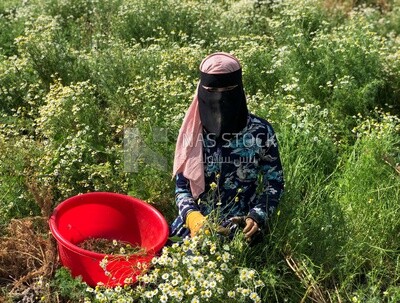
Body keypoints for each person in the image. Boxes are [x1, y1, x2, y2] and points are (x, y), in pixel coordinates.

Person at [171, 52, 284, 243]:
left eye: (229, 89)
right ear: (202, 90)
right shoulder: (193, 131)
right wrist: (193, 218)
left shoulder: (260, 131)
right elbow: (182, 188)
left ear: (239, 90)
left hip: (243, 228)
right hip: (196, 227)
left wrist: (256, 216)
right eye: (212, 90)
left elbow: (275, 182)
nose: (220, 99)